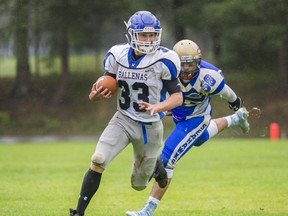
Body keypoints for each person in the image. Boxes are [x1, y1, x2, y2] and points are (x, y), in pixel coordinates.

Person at [69, 11, 183, 216]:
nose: (149, 40)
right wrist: (95, 95)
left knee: (139, 185)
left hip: (149, 126)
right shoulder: (117, 55)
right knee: (98, 159)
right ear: (132, 34)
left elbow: (178, 97)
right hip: (122, 118)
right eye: (143, 35)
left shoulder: (165, 59)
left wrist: (158, 107)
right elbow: (102, 88)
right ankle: (78, 212)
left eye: (152, 35)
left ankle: (157, 167)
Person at [126, 39, 250, 216]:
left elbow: (227, 92)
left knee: (167, 159)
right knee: (198, 140)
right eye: (183, 65)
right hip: (178, 114)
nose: (186, 70)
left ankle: (148, 211)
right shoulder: (167, 69)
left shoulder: (209, 76)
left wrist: (237, 103)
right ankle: (235, 119)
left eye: (191, 64)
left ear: (198, 62)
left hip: (197, 118)